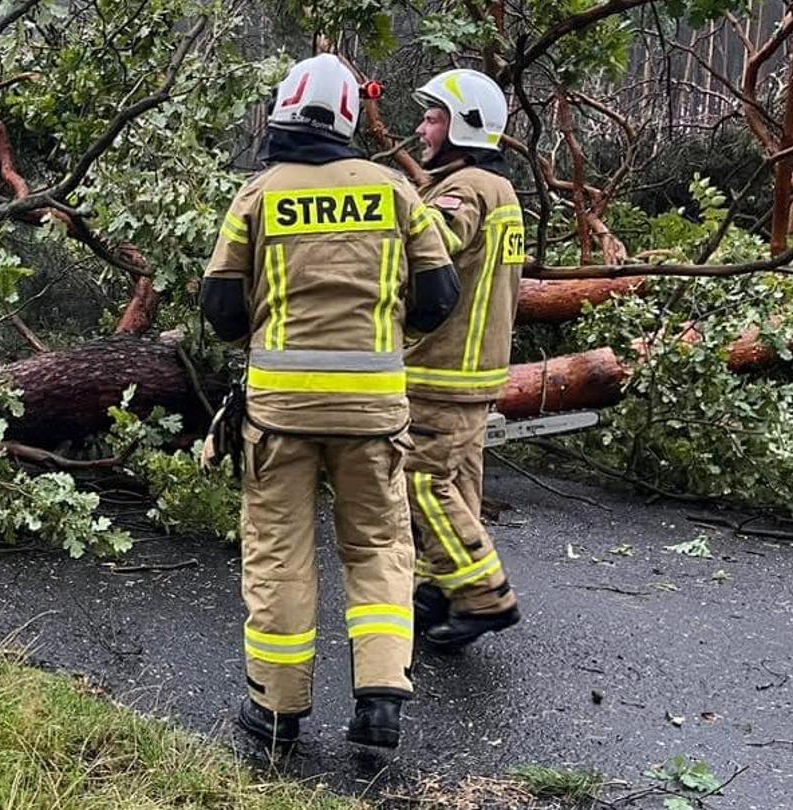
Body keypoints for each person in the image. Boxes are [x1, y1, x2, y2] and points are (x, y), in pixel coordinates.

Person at [202, 54, 460, 750]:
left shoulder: (258, 195)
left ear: (284, 107)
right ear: (350, 115)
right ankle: (380, 704)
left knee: (280, 551)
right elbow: (440, 299)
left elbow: (220, 309)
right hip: (374, 414)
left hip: (280, 414)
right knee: (378, 546)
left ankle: (277, 712)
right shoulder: (396, 193)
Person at [403, 69, 525, 649]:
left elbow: (431, 242)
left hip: (442, 369)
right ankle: (436, 591)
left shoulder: (467, 189)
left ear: (464, 126)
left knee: (421, 481)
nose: (421, 129)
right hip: (476, 369)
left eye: (432, 118)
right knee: (458, 485)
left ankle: (484, 594)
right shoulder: (500, 188)